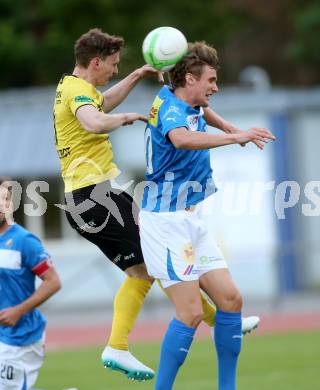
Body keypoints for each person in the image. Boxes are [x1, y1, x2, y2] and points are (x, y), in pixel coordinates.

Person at [53, 28, 259, 382]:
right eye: (114, 65)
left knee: (150, 268)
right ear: (96, 61)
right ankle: (119, 346)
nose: (115, 71)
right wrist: (125, 119)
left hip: (97, 193)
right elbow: (94, 120)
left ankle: (215, 318)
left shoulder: (74, 87)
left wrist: (136, 76)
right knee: (147, 271)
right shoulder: (77, 92)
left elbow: (103, 104)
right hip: (93, 196)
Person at [139, 41, 275, 390]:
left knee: (231, 300)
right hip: (167, 223)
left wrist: (231, 128)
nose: (215, 87)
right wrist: (235, 137)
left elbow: (202, 113)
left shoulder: (186, 99)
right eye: (211, 80)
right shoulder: (170, 109)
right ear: (189, 78)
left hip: (192, 219)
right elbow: (183, 139)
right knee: (191, 313)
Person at [0, 177, 61, 390]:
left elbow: (53, 282)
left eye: (5, 199)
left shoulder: (24, 241)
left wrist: (18, 310)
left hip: (21, 337)